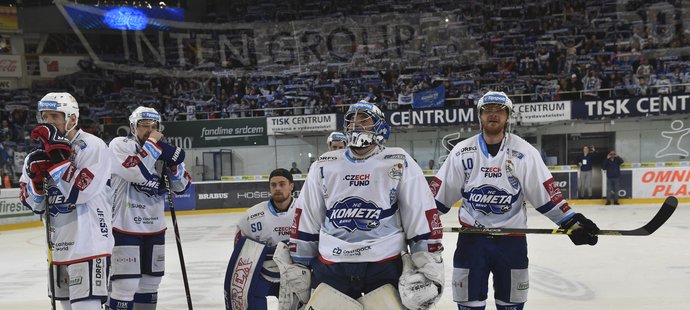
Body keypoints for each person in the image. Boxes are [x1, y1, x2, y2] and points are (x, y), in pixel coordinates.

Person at [431, 91, 599, 310]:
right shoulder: (462, 152)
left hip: (511, 242)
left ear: (508, 115)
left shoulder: (524, 152)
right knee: (468, 304)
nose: (493, 115)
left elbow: (545, 194)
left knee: (511, 305)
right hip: (472, 241)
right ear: (480, 115)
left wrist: (570, 221)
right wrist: (416, 225)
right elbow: (437, 199)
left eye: (499, 110)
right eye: (488, 110)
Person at [287, 101, 444, 310]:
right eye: (352, 120)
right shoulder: (324, 164)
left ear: (379, 127)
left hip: (383, 263)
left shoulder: (398, 161)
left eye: (364, 120)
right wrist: (301, 260)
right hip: (333, 264)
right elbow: (307, 213)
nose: (356, 125)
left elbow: (419, 212)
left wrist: (427, 260)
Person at [19, 92, 114, 310]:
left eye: (55, 116)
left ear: (72, 119)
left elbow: (79, 192)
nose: (49, 123)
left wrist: (58, 160)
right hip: (57, 248)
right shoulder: (36, 155)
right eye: (45, 117)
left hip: (89, 245)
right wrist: (35, 182)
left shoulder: (92, 146)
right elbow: (33, 204)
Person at [107, 106, 191, 310]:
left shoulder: (161, 151)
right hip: (124, 227)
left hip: (154, 228)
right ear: (133, 127)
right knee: (124, 285)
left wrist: (174, 168)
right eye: (145, 126)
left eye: (154, 126)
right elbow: (135, 172)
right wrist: (155, 146)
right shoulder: (120, 145)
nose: (150, 130)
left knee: (150, 285)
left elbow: (181, 187)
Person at [224, 168, 297, 310]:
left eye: (282, 184)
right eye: (273, 185)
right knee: (252, 302)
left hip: (295, 272)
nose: (277, 188)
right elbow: (241, 252)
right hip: (262, 273)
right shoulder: (251, 216)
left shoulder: (305, 210)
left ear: (291, 186)